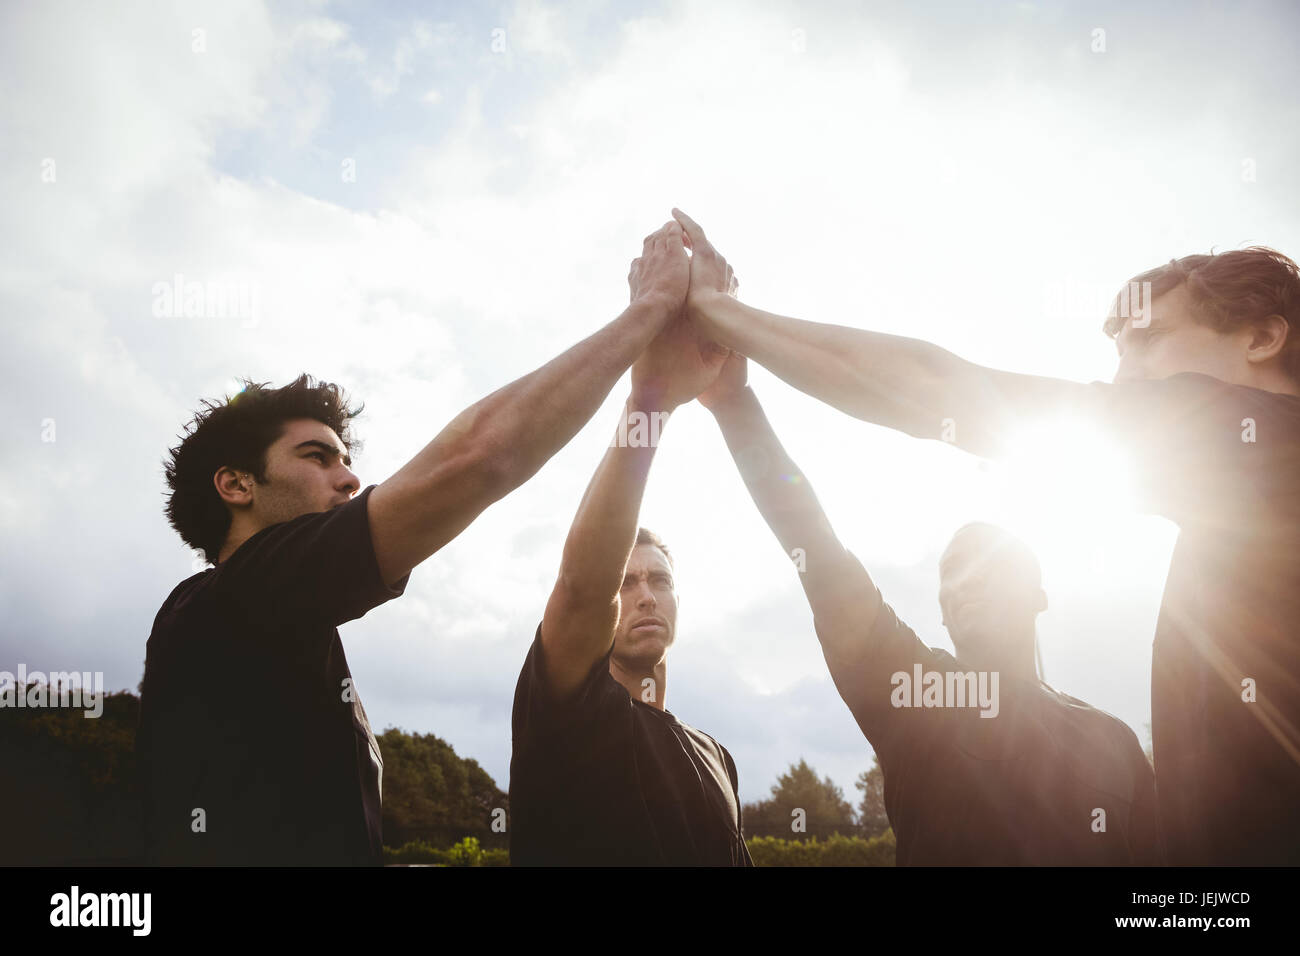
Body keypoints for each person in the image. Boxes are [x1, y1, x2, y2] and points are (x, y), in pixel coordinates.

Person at [674, 208, 1300, 865]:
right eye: (952, 579)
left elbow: (942, 392)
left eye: (1148, 340)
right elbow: (824, 564)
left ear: (1261, 336)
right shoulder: (1236, 521)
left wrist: (719, 314)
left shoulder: (1270, 444)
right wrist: (735, 406)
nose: (1121, 379)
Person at [138, 220, 696, 865]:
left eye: (346, 459)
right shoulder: (234, 594)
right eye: (318, 457)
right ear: (236, 484)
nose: (349, 478)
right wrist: (649, 314)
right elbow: (482, 458)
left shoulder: (281, 629)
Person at [700, 348, 1158, 862]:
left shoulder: (1112, 740)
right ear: (941, 610)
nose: (965, 582)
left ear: (1038, 595)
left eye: (990, 565)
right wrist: (733, 404)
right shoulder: (920, 694)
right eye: (951, 574)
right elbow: (819, 550)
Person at [508, 232, 752, 866]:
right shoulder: (567, 709)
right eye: (627, 581)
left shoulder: (717, 756)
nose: (644, 594)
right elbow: (583, 585)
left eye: (659, 581)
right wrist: (651, 401)